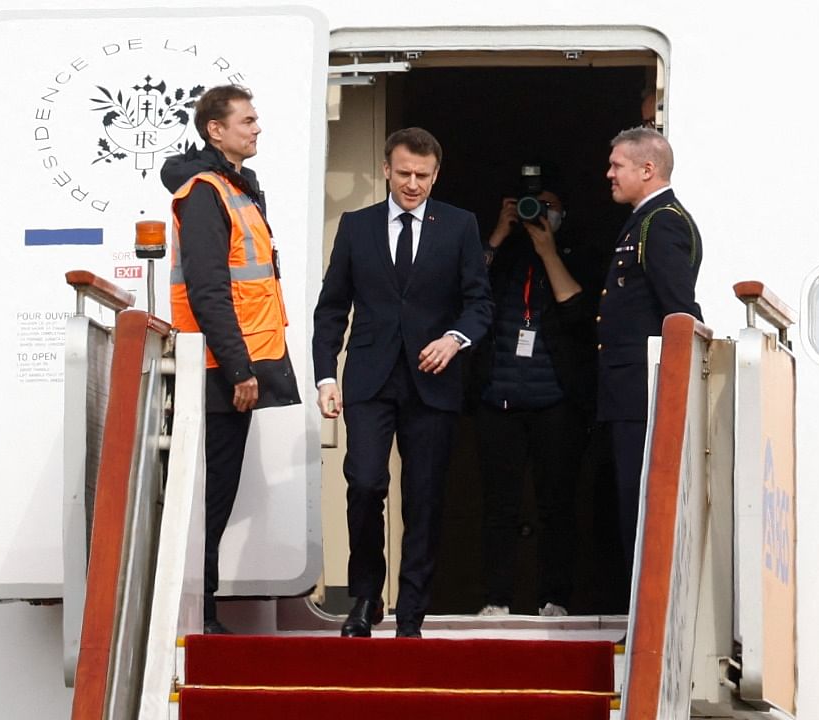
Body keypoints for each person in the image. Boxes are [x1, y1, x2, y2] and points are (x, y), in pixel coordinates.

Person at [312, 127, 492, 638]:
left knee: (425, 497)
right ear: (386, 169)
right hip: (368, 379)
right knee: (365, 484)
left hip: (433, 382)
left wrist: (455, 338)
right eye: (405, 173)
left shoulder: (459, 226)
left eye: (423, 176)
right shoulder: (356, 225)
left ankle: (411, 613)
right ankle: (366, 596)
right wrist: (327, 375)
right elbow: (331, 309)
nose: (413, 184)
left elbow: (479, 302)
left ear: (436, 175)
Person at [160, 84, 301, 635]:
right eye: (247, 119)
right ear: (215, 129)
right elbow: (209, 289)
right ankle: (203, 613)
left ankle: (205, 610)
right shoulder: (206, 192)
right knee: (210, 496)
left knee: (217, 493)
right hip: (221, 372)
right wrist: (239, 368)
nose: (257, 127)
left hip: (232, 366)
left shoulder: (236, 187)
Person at [472, 171, 600, 618]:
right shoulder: (500, 255)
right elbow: (464, 292)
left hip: (556, 404)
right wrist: (499, 234)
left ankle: (556, 599)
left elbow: (578, 313)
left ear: (563, 213)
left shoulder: (576, 255)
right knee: (498, 507)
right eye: (530, 206)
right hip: (498, 401)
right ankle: (496, 599)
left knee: (557, 506)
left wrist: (547, 251)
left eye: (547, 207)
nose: (537, 215)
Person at [598, 127, 702, 584]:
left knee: (639, 504)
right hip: (627, 393)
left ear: (648, 169)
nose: (609, 174)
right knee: (625, 504)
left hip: (646, 395)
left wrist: (676, 395)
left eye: (617, 165)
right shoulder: (644, 219)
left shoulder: (662, 223)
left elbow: (680, 313)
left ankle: (641, 614)